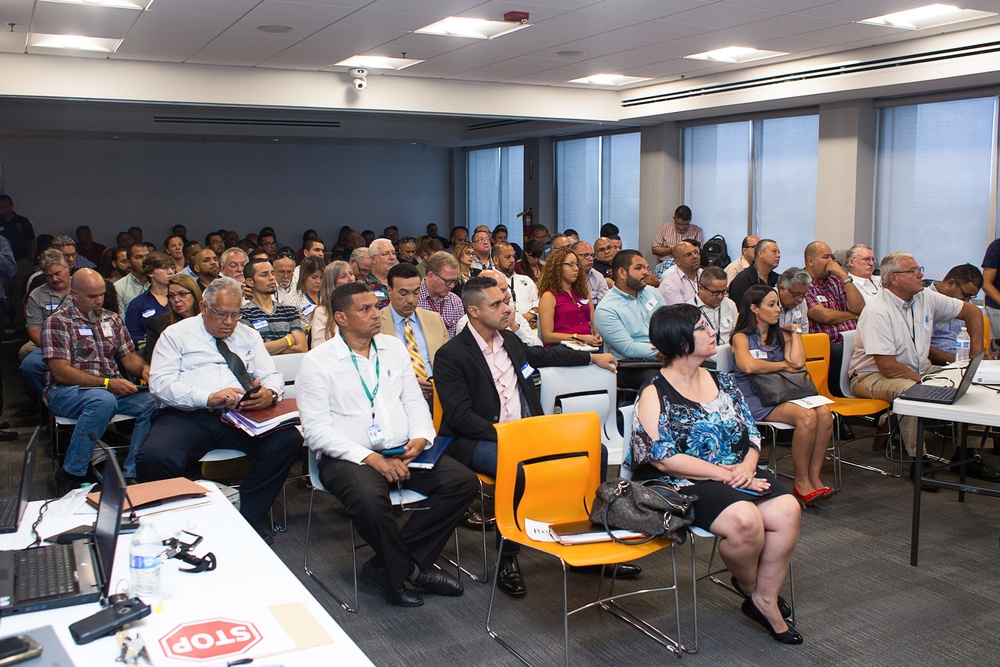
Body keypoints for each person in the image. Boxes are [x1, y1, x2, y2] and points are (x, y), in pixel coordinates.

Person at [434, 276, 621, 597]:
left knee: (597, 453)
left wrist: (591, 357)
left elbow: (545, 356)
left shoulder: (509, 340)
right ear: (473, 311)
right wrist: (512, 436)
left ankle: (584, 540)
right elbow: (460, 417)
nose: (507, 308)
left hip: (529, 432)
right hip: (479, 439)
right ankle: (508, 558)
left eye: (506, 301)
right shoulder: (451, 355)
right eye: (497, 304)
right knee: (518, 468)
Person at [629, 303, 802, 644]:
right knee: (745, 520)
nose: (712, 332)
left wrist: (748, 465)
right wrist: (727, 475)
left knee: (789, 508)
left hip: (738, 472)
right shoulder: (654, 391)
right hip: (684, 481)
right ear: (680, 342)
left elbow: (751, 432)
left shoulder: (723, 380)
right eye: (702, 327)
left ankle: (762, 597)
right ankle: (757, 593)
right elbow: (662, 458)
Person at [297, 281, 476, 607]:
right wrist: (371, 459)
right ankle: (405, 574)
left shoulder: (392, 347)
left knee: (462, 482)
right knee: (369, 497)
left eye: (376, 306)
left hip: (403, 449)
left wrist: (422, 436)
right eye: (364, 309)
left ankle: (388, 565)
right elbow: (316, 432)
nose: (375, 314)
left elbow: (414, 401)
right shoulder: (318, 361)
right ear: (341, 317)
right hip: (347, 458)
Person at [140, 277, 301, 540]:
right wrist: (208, 397)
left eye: (235, 314)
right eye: (222, 314)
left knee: (288, 441)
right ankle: (166, 525)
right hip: (188, 415)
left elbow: (271, 374)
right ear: (203, 307)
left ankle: (247, 517)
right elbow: (160, 384)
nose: (229, 322)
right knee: (154, 457)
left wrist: (269, 394)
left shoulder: (248, 335)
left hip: (240, 416)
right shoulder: (176, 334)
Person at [849, 252, 996, 482]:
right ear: (894, 278)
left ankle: (967, 455)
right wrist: (926, 381)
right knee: (913, 392)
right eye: (914, 271)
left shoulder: (925, 297)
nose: (921, 275)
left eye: (920, 269)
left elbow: (972, 312)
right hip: (872, 376)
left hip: (918, 370)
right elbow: (888, 367)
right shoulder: (877, 311)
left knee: (970, 382)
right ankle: (919, 461)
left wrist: (976, 356)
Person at [43, 269, 155, 492]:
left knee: (154, 400)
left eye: (102, 295)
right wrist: (106, 383)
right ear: (74, 294)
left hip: (109, 390)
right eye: (92, 296)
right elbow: (61, 372)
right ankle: (71, 473)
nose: (99, 301)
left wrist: (145, 370)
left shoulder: (112, 319)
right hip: (66, 392)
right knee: (103, 400)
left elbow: (128, 357)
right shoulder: (58, 322)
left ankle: (131, 473)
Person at [731, 285, 835, 505]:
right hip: (755, 398)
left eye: (777, 303)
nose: (778, 309)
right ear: (754, 308)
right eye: (771, 305)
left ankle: (814, 477)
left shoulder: (781, 335)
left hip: (783, 393)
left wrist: (795, 333)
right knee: (806, 417)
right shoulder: (742, 337)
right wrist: (781, 365)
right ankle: (801, 481)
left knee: (825, 413)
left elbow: (797, 363)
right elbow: (748, 366)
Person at [380, 263, 449, 402]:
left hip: (437, 396)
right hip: (396, 399)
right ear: (389, 291)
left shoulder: (434, 319)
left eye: (416, 293)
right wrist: (408, 383)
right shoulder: (376, 324)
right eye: (403, 293)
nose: (411, 300)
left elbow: (449, 362)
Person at [803, 241, 864, 396]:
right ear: (810, 261)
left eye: (831, 257)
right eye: (825, 257)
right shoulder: (802, 283)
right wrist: (852, 315)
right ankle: (841, 394)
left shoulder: (837, 280)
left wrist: (844, 276)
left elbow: (859, 307)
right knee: (840, 351)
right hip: (829, 344)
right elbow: (824, 316)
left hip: (853, 339)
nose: (831, 261)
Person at [594, 249, 665, 361]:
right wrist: (669, 351)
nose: (646, 272)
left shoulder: (653, 292)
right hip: (634, 366)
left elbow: (669, 325)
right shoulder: (606, 309)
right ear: (622, 273)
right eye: (638, 268)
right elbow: (629, 348)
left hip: (667, 356)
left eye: (647, 268)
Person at [20, 249, 72, 398]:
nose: (54, 279)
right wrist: (53, 348)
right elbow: (34, 329)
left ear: (67, 268)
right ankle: (50, 399)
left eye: (58, 273)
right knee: (29, 365)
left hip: (82, 340)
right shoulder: (36, 294)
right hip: (50, 344)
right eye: (49, 276)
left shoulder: (82, 285)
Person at [455, 269, 542, 347]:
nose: (509, 295)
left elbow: (537, 347)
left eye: (507, 289)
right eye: (502, 290)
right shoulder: (466, 324)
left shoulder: (512, 313)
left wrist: (515, 327)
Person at [240, 259, 308, 355]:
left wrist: (267, 347)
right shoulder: (244, 313)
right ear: (250, 282)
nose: (271, 278)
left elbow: (302, 348)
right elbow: (250, 350)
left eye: (272, 273)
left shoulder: (289, 310)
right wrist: (288, 340)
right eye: (264, 274)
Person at [537, 248, 601, 348]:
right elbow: (547, 336)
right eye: (571, 264)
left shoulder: (583, 292)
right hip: (562, 346)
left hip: (587, 344)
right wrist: (578, 338)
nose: (576, 268)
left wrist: (597, 335)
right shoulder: (549, 296)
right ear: (558, 267)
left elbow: (593, 324)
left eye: (577, 264)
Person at [927, 264, 983, 365]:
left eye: (971, 297)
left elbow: (974, 347)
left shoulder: (968, 306)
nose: (967, 301)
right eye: (965, 295)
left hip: (963, 362)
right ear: (950, 283)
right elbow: (921, 347)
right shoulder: (924, 300)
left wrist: (982, 358)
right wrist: (957, 360)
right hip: (938, 364)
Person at [142, 274, 201, 362]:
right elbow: (154, 360)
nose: (176, 299)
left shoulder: (208, 322)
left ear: (194, 295)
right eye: (171, 296)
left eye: (182, 294)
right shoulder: (158, 325)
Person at [0, 194, 37, 329]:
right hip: (3, 265)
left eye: (6, 207)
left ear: (12, 206)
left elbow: (31, 241)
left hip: (22, 262)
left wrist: (32, 260)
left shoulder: (22, 221)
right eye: (1, 207)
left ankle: (20, 325)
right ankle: (5, 324)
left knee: (19, 295)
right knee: (5, 295)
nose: (4, 210)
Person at [125, 251, 174, 346]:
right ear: (150, 272)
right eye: (164, 268)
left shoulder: (182, 298)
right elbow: (133, 336)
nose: (170, 272)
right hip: (150, 352)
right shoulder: (137, 304)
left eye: (172, 268)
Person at [687, 266, 737, 352]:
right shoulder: (688, 310)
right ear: (701, 288)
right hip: (705, 359)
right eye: (715, 292)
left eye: (723, 291)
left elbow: (736, 334)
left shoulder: (730, 304)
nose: (720, 297)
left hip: (729, 355)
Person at [418, 251, 464, 339]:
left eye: (454, 281)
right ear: (430, 276)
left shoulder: (456, 302)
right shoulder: (414, 299)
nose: (452, 286)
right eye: (447, 281)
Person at [310, 260, 356, 349]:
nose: (350, 279)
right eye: (343, 276)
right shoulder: (322, 311)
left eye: (351, 274)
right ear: (332, 283)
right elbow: (318, 348)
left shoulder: (361, 308)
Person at [493, 242, 539, 327]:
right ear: (496, 260)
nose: (512, 260)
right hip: (504, 328)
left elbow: (538, 302)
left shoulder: (526, 279)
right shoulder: (489, 281)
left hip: (531, 327)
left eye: (513, 257)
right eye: (507, 257)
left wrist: (531, 314)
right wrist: (519, 319)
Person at [729, 239, 781, 308]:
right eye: (774, 252)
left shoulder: (778, 279)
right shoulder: (743, 280)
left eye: (779, 252)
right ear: (760, 253)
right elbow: (741, 311)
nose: (779, 255)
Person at [658, 240, 703, 305]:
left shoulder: (704, 274)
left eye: (696, 252)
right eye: (688, 255)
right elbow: (681, 313)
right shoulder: (669, 284)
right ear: (678, 261)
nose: (695, 256)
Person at [287, 255, 325, 331]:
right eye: (314, 277)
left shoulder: (328, 296)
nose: (318, 281)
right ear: (304, 277)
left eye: (321, 277)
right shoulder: (291, 301)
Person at [572, 240, 608, 305]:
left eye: (592, 255)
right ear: (574, 256)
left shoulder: (598, 277)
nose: (591, 259)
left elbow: (604, 305)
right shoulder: (567, 277)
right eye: (586, 255)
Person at [776, 268, 811, 333]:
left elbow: (804, 334)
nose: (800, 299)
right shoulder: (768, 300)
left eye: (803, 295)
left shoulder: (802, 302)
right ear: (782, 289)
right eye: (796, 294)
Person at [364, 239, 397, 309]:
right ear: (373, 259)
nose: (392, 257)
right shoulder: (363, 285)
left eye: (393, 253)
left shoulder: (402, 281)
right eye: (385, 254)